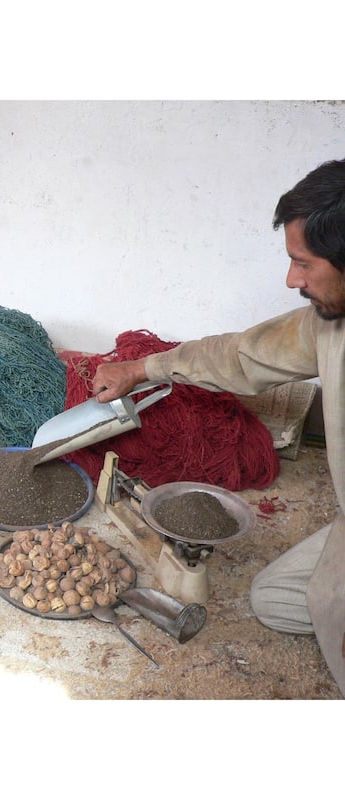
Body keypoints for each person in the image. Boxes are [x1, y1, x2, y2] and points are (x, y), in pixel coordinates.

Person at [91, 158, 345, 696]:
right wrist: (140, 369)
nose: (291, 280)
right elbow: (240, 357)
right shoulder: (329, 319)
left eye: (303, 263)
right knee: (273, 599)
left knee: (331, 614)